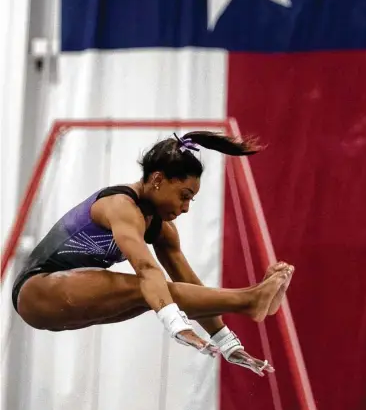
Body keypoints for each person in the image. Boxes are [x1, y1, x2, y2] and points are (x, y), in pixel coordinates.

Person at [12, 131, 294, 376]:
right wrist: (177, 327)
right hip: (38, 291)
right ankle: (249, 298)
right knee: (150, 288)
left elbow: (191, 289)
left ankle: (249, 300)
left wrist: (227, 343)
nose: (185, 208)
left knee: (157, 294)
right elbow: (147, 270)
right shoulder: (120, 206)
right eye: (183, 195)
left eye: (191, 199)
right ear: (158, 179)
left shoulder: (162, 229)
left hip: (68, 305)